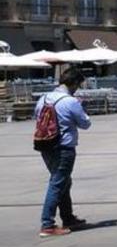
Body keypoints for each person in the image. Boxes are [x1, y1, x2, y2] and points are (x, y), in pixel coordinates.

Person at [35, 67, 91, 237]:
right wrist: (81, 108)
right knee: (58, 183)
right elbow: (85, 124)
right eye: (78, 85)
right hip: (64, 147)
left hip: (45, 145)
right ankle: (47, 224)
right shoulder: (70, 101)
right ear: (73, 83)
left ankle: (68, 218)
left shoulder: (43, 98)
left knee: (63, 181)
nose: (78, 88)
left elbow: (37, 116)